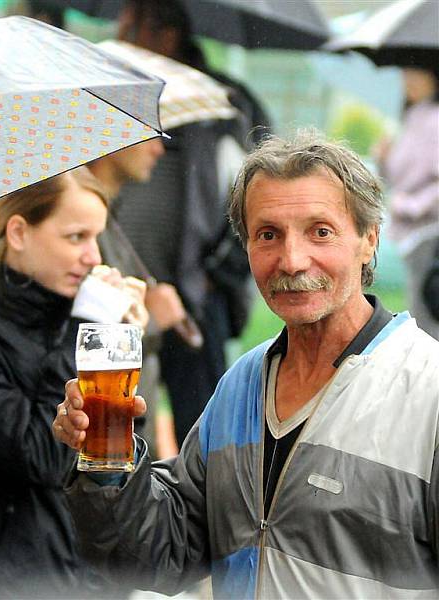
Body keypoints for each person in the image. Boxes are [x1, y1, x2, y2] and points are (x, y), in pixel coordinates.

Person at [53, 132, 439, 598]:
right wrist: (108, 461)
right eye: (268, 234)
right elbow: (164, 553)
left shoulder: (427, 391)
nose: (292, 261)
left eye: (321, 231)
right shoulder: (244, 383)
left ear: (368, 241)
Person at [0, 167, 144, 598]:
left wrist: (124, 347)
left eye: (96, 237)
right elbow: (42, 456)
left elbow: (115, 462)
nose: (93, 256)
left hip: (88, 580)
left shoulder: (73, 318)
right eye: (76, 237)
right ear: (18, 232)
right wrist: (89, 335)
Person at [111, 0, 269, 445]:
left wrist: (218, 276)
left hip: (196, 295)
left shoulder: (222, 104)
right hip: (127, 295)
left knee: (203, 432)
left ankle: (201, 513)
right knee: (123, 426)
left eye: (130, 26)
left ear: (165, 35)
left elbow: (259, 197)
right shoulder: (117, 96)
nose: (120, 39)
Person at [89, 140, 188, 458]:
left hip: (132, 441)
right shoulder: (85, 226)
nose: (159, 149)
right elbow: (80, 346)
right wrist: (154, 320)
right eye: (148, 135)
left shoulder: (109, 217)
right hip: (106, 449)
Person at [377, 65, 439, 339]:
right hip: (412, 235)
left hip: (430, 231)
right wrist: (383, 159)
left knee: (428, 312)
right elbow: (401, 178)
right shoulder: (412, 117)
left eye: (416, 74)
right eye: (405, 75)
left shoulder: (435, 120)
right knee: (421, 310)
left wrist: (409, 206)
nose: (408, 82)